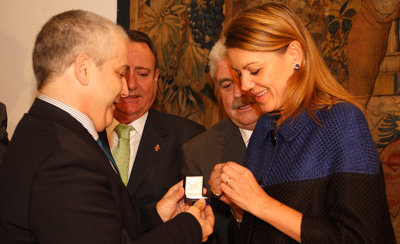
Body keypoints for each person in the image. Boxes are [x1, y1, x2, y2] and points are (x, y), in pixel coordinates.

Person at [0, 10, 213, 243]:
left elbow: (94, 226)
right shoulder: (64, 158)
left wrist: (155, 215)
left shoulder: (39, 128)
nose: (125, 89)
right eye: (120, 73)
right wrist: (189, 228)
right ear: (84, 69)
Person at [208, 3, 395, 243]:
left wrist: (260, 203)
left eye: (254, 70)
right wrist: (238, 205)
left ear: (294, 55)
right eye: (238, 74)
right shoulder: (264, 128)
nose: (244, 86)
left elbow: (360, 238)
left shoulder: (342, 123)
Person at [101, 29, 205, 232]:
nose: (131, 84)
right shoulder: (85, 135)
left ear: (156, 77)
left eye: (142, 74)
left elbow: (196, 220)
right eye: (122, 73)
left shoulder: (189, 138)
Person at [182, 39, 261, 244]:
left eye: (242, 78)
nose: (238, 92)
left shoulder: (301, 134)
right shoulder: (199, 152)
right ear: (217, 92)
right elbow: (205, 235)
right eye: (227, 85)